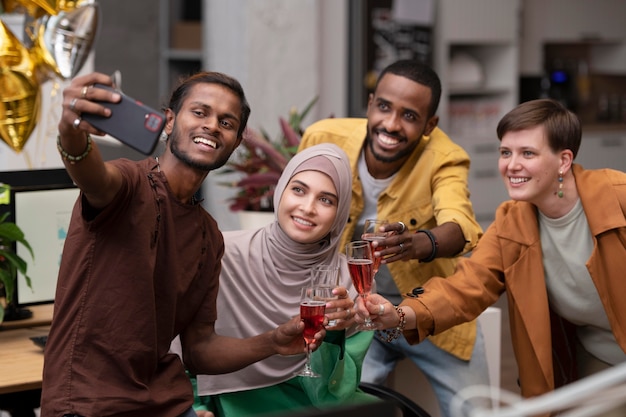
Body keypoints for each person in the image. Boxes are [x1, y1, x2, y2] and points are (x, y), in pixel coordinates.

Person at [41, 71, 321, 417]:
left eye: (226, 122)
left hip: (166, 403)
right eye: (200, 112)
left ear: (235, 143)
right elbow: (91, 176)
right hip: (89, 404)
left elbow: (199, 349)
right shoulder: (127, 183)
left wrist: (273, 342)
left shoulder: (209, 236)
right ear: (170, 121)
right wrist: (70, 130)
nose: (212, 126)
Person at [358, 98, 626, 417]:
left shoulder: (617, 194)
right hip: (603, 360)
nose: (511, 165)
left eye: (527, 153)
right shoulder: (511, 224)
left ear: (563, 160)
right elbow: (465, 287)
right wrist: (399, 314)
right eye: (505, 152)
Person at [298, 59, 489, 417]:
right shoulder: (324, 139)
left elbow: (461, 226)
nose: (391, 124)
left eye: (410, 116)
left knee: (475, 412)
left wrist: (419, 243)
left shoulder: (445, 159)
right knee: (341, 408)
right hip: (358, 316)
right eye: (384, 107)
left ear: (430, 124)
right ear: (370, 104)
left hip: (430, 315)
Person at [184, 143, 377, 416]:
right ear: (281, 191)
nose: (308, 208)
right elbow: (185, 351)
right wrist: (193, 410)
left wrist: (336, 333)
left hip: (313, 405)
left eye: (326, 200)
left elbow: (337, 391)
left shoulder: (350, 280)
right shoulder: (222, 252)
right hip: (230, 404)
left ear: (340, 211)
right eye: (298, 190)